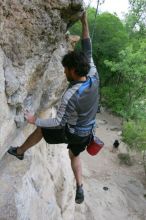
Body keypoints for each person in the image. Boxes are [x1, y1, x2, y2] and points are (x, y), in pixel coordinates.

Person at [8, 12, 99, 204]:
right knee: (74, 155)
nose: (64, 72)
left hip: (73, 132)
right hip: (87, 133)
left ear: (73, 71)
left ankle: (20, 151)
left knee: (43, 127)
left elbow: (58, 122)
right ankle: (80, 186)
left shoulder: (71, 94)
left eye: (66, 69)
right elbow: (87, 45)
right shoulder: (93, 75)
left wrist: (35, 120)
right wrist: (84, 21)